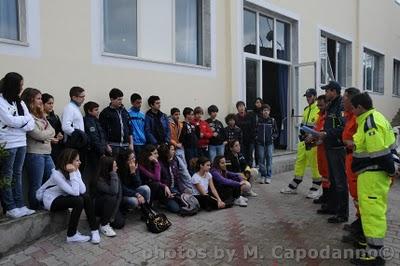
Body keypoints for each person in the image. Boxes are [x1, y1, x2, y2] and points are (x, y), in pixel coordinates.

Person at [350, 92, 397, 265]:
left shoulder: (370, 123)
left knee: (373, 214)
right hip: (372, 175)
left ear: (360, 107)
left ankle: (374, 256)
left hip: (373, 175)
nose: (352, 111)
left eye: (353, 108)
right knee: (370, 212)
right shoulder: (374, 118)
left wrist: (392, 171)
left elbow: (380, 153)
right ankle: (369, 245)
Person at [36, 148, 100, 244]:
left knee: (85, 197)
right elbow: (75, 193)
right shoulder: (57, 174)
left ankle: (94, 230)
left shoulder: (75, 170)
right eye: (77, 160)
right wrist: (73, 173)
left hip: (63, 197)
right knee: (78, 200)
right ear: (69, 162)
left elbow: (83, 190)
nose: (80, 162)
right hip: (51, 200)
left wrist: (74, 173)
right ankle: (71, 235)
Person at [0, 72, 35, 218]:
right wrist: (23, 121)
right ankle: (10, 207)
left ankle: (20, 204)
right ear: (12, 85)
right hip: (7, 143)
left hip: (21, 142)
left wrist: (20, 122)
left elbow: (31, 123)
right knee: (7, 175)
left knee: (17, 174)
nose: (22, 87)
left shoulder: (19, 102)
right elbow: (9, 121)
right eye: (20, 85)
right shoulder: (1, 101)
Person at [280, 88, 322, 198]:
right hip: (303, 141)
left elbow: (318, 127)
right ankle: (294, 185)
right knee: (299, 163)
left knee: (314, 165)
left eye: (310, 96)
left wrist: (312, 137)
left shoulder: (319, 110)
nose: (308, 99)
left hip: (313, 142)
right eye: (307, 97)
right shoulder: (306, 109)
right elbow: (304, 125)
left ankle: (316, 188)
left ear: (314, 96)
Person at [317, 81, 348, 224]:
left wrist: (327, 134)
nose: (325, 93)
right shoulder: (331, 105)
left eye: (327, 91)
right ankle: (332, 207)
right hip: (329, 146)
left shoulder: (340, 105)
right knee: (333, 180)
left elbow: (343, 127)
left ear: (334, 91)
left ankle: (342, 213)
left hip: (337, 148)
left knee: (340, 182)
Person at [22, 88, 56, 210]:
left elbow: (52, 130)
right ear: (31, 100)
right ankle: (36, 209)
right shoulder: (27, 116)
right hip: (34, 154)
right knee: (36, 184)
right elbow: (38, 135)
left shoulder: (40, 115)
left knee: (52, 180)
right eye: (39, 98)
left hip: (47, 153)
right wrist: (46, 135)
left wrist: (45, 135)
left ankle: (46, 204)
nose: (41, 101)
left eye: (41, 98)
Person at [340, 87, 362, 244]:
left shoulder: (359, 118)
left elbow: (362, 142)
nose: (342, 100)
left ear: (352, 99)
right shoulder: (349, 116)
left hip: (356, 159)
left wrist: (351, 144)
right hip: (350, 157)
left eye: (345, 98)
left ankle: (362, 228)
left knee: (360, 195)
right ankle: (359, 222)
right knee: (355, 194)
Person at [138, 145, 178, 212]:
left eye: (157, 153)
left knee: (176, 207)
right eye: (155, 153)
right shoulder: (141, 166)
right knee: (155, 184)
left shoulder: (153, 163)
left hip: (158, 188)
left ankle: (166, 201)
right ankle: (149, 206)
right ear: (148, 154)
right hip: (143, 189)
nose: (157, 155)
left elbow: (158, 180)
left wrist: (165, 186)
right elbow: (157, 178)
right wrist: (157, 163)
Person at [83, 101, 109, 194]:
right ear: (89, 111)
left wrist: (106, 145)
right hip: (94, 153)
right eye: (96, 110)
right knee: (93, 175)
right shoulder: (89, 121)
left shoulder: (95, 120)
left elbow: (102, 135)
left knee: (98, 175)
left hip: (100, 151)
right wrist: (101, 152)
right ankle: (91, 195)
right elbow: (94, 138)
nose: (98, 111)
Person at [99, 88, 133, 157]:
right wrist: (107, 145)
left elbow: (130, 128)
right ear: (112, 99)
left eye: (121, 99)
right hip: (113, 146)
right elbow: (102, 131)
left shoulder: (124, 111)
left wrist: (131, 144)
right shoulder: (105, 113)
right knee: (115, 167)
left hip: (126, 146)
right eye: (118, 99)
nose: (120, 101)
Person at [93, 156, 122, 237]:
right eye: (114, 166)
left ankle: (106, 219)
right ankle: (104, 224)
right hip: (99, 206)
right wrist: (113, 174)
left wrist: (112, 216)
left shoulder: (115, 176)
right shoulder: (99, 179)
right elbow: (113, 191)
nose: (117, 168)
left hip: (111, 206)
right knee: (111, 196)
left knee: (119, 223)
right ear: (108, 167)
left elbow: (119, 196)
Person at [61, 86, 87, 170]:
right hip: (73, 144)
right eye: (81, 97)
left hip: (79, 144)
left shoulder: (75, 108)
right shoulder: (69, 108)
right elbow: (66, 126)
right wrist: (79, 136)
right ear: (74, 97)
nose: (83, 99)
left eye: (84, 96)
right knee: (73, 170)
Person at [311, 95, 330, 205]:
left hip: (327, 149)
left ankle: (329, 198)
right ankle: (325, 195)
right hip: (320, 148)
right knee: (323, 173)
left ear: (327, 104)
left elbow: (333, 132)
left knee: (328, 174)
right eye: (317, 105)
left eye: (321, 105)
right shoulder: (320, 116)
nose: (318, 107)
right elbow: (316, 129)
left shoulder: (330, 117)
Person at [255, 104, 278, 184]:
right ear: (262, 112)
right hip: (260, 143)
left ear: (269, 111)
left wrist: (272, 137)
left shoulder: (272, 120)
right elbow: (255, 131)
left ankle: (268, 176)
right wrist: (257, 137)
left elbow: (276, 132)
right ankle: (262, 175)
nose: (266, 112)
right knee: (261, 159)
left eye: (267, 110)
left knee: (269, 159)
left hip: (269, 143)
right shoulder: (259, 120)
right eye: (264, 110)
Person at [42, 93, 64, 164]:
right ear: (43, 104)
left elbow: (60, 129)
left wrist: (60, 134)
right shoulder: (40, 118)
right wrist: (51, 139)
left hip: (56, 148)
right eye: (49, 103)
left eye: (52, 103)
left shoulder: (55, 116)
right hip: (45, 147)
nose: (51, 105)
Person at [235, 101, 256, 166]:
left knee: (250, 155)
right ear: (237, 108)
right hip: (241, 140)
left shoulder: (250, 115)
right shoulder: (236, 117)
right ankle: (244, 170)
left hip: (250, 140)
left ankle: (250, 170)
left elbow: (254, 126)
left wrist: (254, 136)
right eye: (239, 106)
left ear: (245, 107)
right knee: (242, 155)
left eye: (242, 106)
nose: (241, 108)